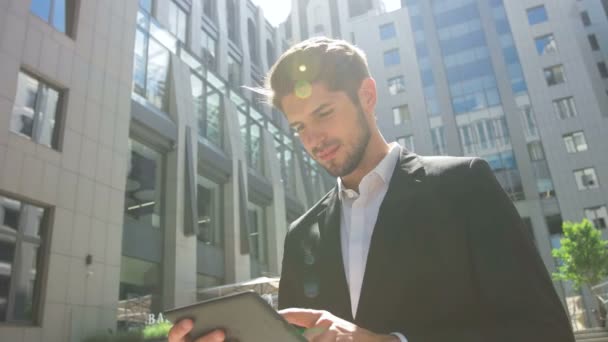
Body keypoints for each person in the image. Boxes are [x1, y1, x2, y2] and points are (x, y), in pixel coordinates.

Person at [169, 37, 575, 342]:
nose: (313, 138)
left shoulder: (463, 184)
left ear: (367, 95)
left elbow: (545, 331)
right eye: (299, 127)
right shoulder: (301, 236)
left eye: (323, 113)